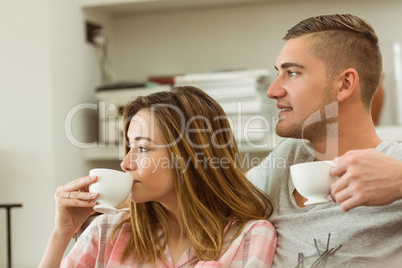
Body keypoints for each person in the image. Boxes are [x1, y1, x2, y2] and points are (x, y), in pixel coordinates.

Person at [39, 86, 277, 267]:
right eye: (129, 146)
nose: (125, 163)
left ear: (190, 156)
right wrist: (61, 233)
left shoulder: (250, 237)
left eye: (143, 148)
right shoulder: (107, 231)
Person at [246, 14, 402, 267]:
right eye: (279, 73)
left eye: (292, 73)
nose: (273, 90)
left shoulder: (396, 164)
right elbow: (214, 204)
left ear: (345, 84)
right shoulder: (288, 157)